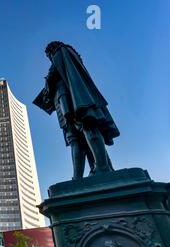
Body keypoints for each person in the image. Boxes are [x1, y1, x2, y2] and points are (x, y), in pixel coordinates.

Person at [33, 41, 120, 180]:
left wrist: (47, 85)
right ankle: (85, 174)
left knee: (86, 125)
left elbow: (52, 77)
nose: (49, 57)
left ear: (51, 50)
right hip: (66, 98)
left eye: (48, 54)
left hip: (68, 98)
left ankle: (102, 167)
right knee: (76, 137)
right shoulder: (68, 56)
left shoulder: (60, 52)